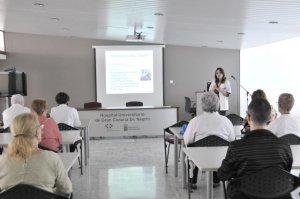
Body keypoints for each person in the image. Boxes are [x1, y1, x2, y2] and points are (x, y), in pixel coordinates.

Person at [217, 98, 293, 199]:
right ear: (270, 117)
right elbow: (286, 173)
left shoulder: (236, 147)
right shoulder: (284, 146)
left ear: (248, 118)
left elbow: (222, 175)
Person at [0, 113, 72, 195]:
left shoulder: (1, 160)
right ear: (38, 133)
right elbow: (67, 190)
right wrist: (50, 192)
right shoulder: (52, 158)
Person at [184, 92, 235, 188]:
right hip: (221, 158)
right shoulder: (226, 121)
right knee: (217, 152)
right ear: (218, 104)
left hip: (199, 158)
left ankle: (193, 181)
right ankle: (216, 180)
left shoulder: (195, 121)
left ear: (202, 105)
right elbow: (232, 139)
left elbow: (187, 141)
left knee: (191, 152)